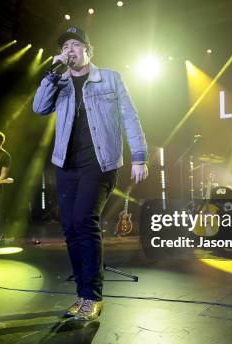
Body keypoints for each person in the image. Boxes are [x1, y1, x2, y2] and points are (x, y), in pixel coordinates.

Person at [33, 26, 148, 321]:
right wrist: (51, 74)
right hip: (66, 165)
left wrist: (139, 156)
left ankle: (93, 296)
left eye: (75, 44)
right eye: (65, 46)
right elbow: (38, 108)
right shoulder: (59, 81)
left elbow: (130, 117)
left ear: (88, 50)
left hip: (100, 163)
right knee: (70, 227)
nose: (70, 49)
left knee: (85, 221)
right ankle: (81, 294)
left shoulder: (110, 78)